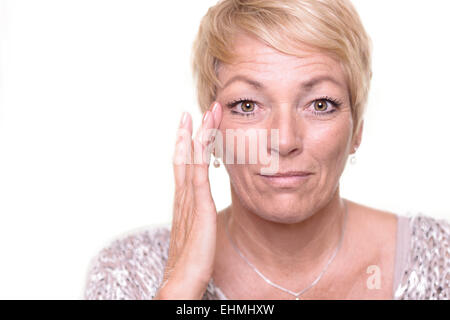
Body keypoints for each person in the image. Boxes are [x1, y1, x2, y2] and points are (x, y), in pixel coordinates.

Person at [84, 0, 450, 300]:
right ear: (212, 131)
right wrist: (180, 293)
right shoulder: (131, 271)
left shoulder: (439, 259)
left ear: (357, 129)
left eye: (320, 104)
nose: (285, 140)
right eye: (247, 105)